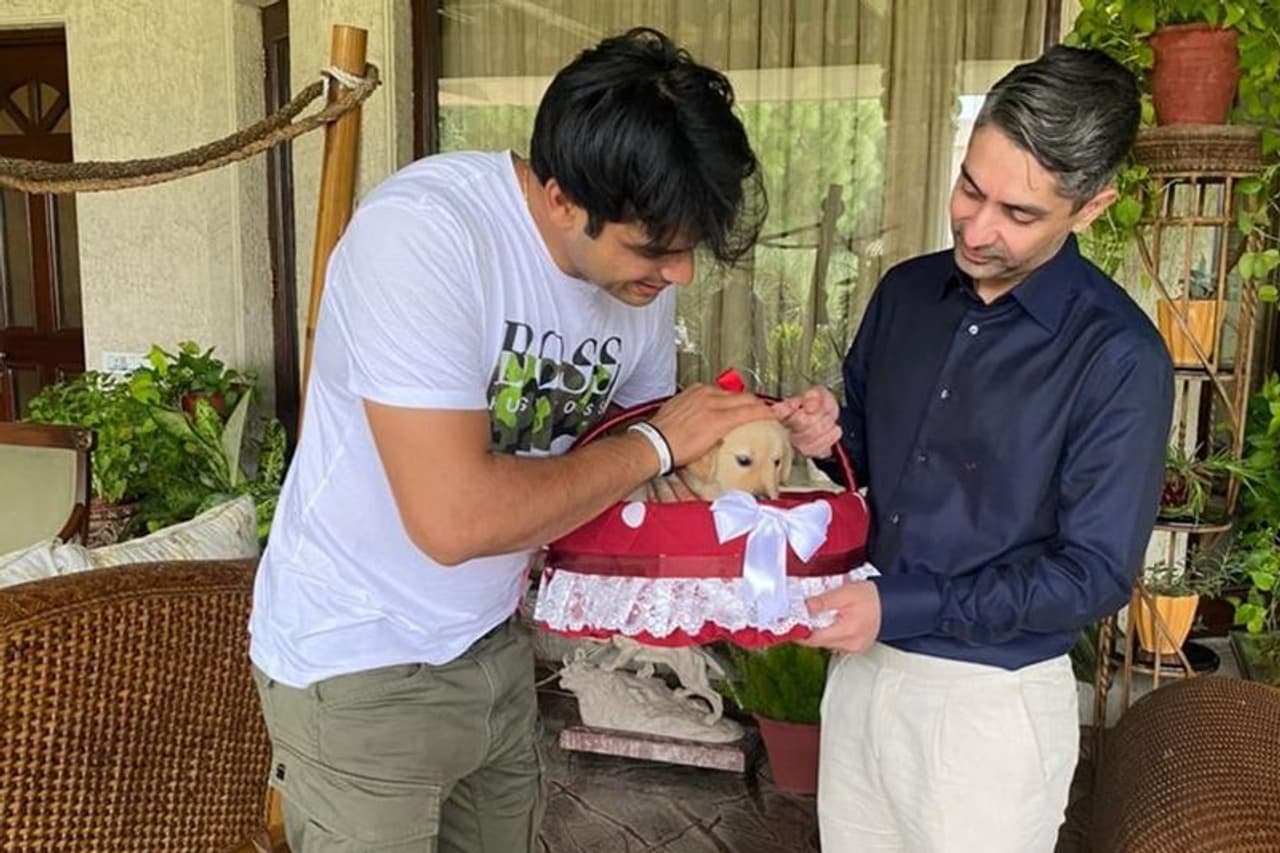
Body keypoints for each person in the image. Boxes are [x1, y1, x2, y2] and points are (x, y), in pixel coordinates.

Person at [249, 27, 803, 852]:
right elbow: (455, 519)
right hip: (356, 658)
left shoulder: (638, 280)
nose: (679, 275)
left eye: (689, 249)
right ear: (561, 198)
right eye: (656, 249)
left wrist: (772, 435)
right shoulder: (425, 236)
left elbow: (653, 476)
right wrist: (655, 444)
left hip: (493, 642)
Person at [778, 46, 1175, 852]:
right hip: (862, 676)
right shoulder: (905, 294)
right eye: (969, 187)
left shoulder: (1118, 357)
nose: (977, 226)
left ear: (1090, 207)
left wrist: (903, 605)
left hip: (991, 709)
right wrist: (829, 435)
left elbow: (1092, 574)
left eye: (1018, 213)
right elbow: (869, 459)